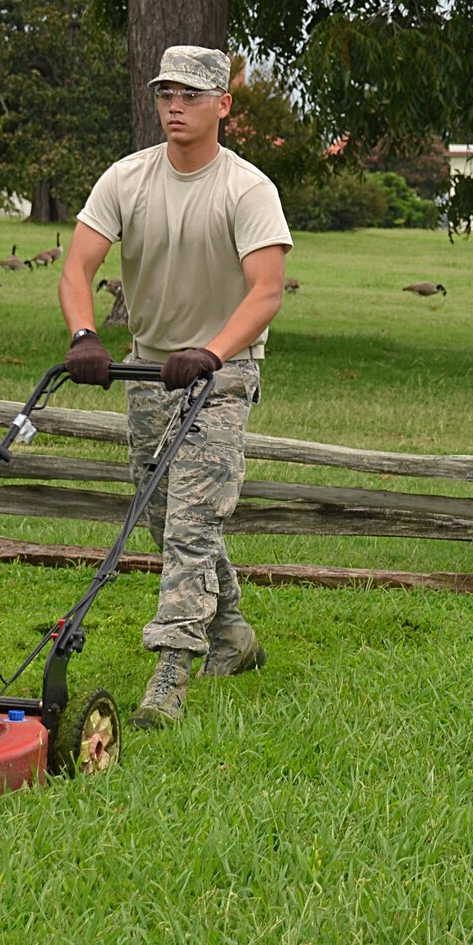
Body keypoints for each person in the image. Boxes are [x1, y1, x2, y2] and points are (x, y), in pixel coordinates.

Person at [57, 45, 292, 729]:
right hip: (148, 368)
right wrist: (84, 336)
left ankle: (170, 670)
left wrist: (212, 352)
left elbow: (266, 292)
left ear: (223, 103)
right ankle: (232, 632)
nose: (174, 107)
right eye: (165, 94)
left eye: (190, 95)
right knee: (163, 515)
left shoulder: (247, 189)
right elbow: (78, 266)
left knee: (192, 519)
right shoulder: (126, 179)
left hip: (223, 369)